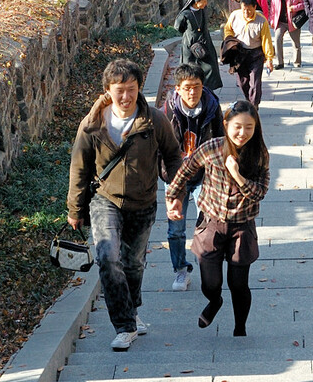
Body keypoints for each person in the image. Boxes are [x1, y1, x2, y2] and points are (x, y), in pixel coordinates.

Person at [66, 59, 183, 351]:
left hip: (143, 203)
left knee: (134, 264)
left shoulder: (154, 120)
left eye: (131, 89)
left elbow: (173, 156)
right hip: (105, 200)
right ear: (108, 90)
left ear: (139, 88)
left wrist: (175, 189)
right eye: (120, 90)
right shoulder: (92, 124)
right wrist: (75, 210)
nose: (126, 97)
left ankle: (132, 309)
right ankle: (124, 325)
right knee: (108, 257)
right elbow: (79, 168)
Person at [165, 99, 270, 338]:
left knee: (238, 283)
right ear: (226, 124)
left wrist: (237, 174)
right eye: (237, 127)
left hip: (242, 226)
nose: (243, 133)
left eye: (249, 127)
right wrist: (174, 198)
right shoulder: (211, 147)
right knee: (210, 283)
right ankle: (215, 301)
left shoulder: (259, 153)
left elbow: (260, 193)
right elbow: (185, 169)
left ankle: (239, 329)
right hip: (211, 223)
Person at [161, 64, 224, 292]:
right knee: (175, 229)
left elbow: (221, 141)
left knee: (207, 223)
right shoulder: (167, 112)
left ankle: (206, 265)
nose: (192, 93)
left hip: (203, 176)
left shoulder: (212, 106)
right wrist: (168, 178)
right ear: (178, 89)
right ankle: (180, 271)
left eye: (196, 87)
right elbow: (160, 149)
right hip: (176, 177)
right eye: (187, 88)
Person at [223, 0, 274, 108]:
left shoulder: (261, 21)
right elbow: (228, 29)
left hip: (256, 54)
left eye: (249, 10)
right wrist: (230, 41)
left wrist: (269, 59)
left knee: (255, 82)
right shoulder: (235, 15)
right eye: (244, 10)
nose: (246, 13)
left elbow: (266, 40)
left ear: (255, 7)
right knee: (242, 82)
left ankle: (254, 105)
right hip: (240, 54)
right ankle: (249, 100)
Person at [174, 0, 222, 92]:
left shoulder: (203, 10)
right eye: (203, 1)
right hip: (190, 46)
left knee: (210, 67)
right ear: (196, 1)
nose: (206, 3)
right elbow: (178, 27)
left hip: (205, 43)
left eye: (206, 0)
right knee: (190, 68)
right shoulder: (185, 14)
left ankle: (206, 90)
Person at [269, 0, 306, 69]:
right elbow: (273, 8)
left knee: (295, 43)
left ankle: (297, 62)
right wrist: (272, 20)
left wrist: (295, 8)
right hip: (280, 22)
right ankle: (280, 62)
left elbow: (305, 4)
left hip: (293, 21)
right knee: (277, 39)